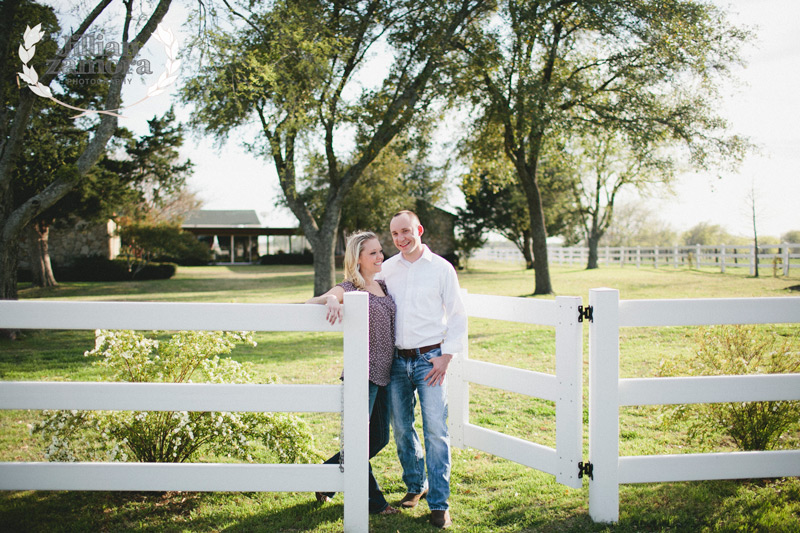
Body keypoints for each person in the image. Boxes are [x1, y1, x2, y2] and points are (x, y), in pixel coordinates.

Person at [379, 210, 467, 529]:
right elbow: (359, 290)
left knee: (435, 431)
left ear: (419, 229)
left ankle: (439, 504)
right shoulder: (386, 269)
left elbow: (457, 315)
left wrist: (447, 356)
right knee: (402, 428)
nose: (400, 239)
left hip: (430, 360)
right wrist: (334, 299)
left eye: (405, 231)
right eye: (394, 234)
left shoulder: (442, 269)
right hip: (397, 361)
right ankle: (416, 485)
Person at [305, 231, 399, 515]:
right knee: (360, 439)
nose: (380, 256)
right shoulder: (349, 287)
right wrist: (331, 300)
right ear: (357, 259)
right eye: (372, 253)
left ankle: (326, 477)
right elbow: (316, 301)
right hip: (362, 375)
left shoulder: (383, 285)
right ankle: (376, 503)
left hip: (386, 373)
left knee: (380, 438)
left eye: (380, 251)